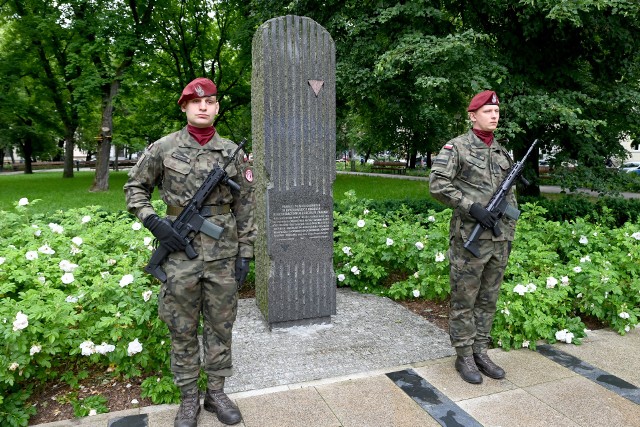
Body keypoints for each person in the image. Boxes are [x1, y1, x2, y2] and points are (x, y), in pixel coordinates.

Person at [124, 77, 256, 426]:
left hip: (223, 254)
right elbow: (135, 188)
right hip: (179, 254)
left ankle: (215, 393)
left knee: (220, 325)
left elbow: (246, 204)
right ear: (184, 106)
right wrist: (153, 221)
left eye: (210, 102)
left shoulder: (232, 153)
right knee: (181, 327)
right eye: (195, 102)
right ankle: (187, 400)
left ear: (216, 107)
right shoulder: (163, 148)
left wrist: (246, 252)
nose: (203, 107)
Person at [428, 90, 515, 384]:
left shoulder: (503, 153)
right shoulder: (457, 148)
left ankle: (481, 351)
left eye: (497, 112)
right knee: (465, 298)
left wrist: (508, 229)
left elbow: (510, 197)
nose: (494, 116)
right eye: (488, 111)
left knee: (489, 298)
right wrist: (472, 207)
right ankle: (463, 355)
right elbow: (438, 184)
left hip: (499, 239)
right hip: (470, 239)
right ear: (473, 115)